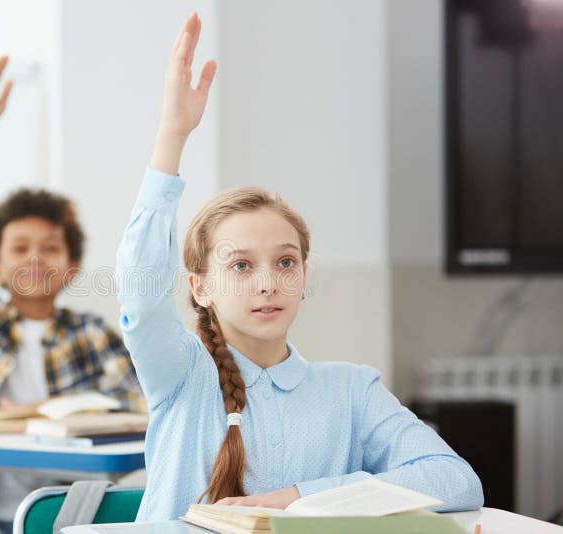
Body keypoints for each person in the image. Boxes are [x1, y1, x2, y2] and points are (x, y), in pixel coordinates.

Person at [115, 13, 484, 522]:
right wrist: (170, 138)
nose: (269, 281)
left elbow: (455, 479)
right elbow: (141, 292)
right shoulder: (182, 374)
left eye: (286, 261)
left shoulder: (351, 390)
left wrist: (301, 496)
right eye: (240, 265)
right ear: (200, 288)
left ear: (304, 275)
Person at [0, 56, 144, 534]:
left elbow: (134, 408)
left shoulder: (92, 334)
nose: (36, 259)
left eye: (50, 248)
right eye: (20, 249)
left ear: (73, 268)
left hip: (66, 513)